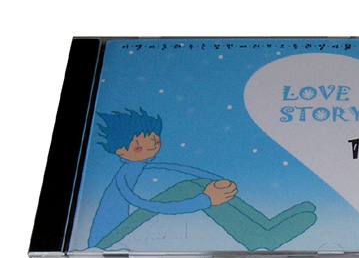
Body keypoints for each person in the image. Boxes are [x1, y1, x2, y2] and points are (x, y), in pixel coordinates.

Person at [88, 107, 316, 250]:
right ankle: (259, 239)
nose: (151, 148)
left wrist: (220, 181)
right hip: (108, 239)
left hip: (123, 227)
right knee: (189, 189)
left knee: (198, 185)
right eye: (140, 147)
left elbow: (186, 171)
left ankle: (265, 226)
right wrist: (205, 200)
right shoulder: (123, 177)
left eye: (154, 142)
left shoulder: (145, 165)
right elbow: (147, 204)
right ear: (121, 151)